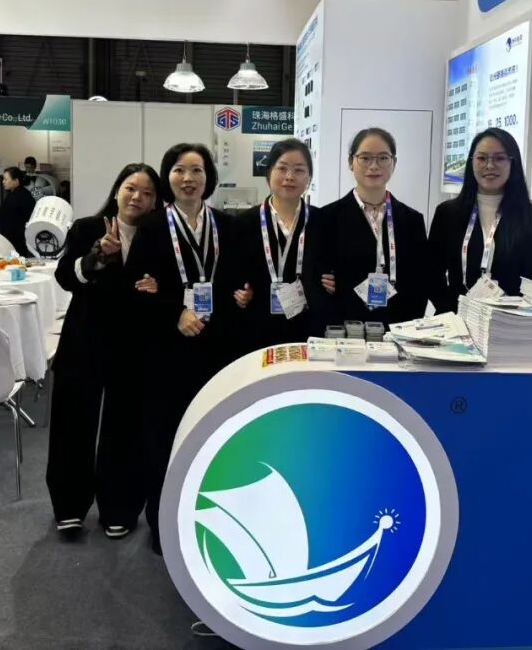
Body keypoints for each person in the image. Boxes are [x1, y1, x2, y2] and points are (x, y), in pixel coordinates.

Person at [126, 143, 248, 555]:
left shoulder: (226, 225)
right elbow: (137, 289)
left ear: (208, 177)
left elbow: (236, 280)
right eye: (179, 170)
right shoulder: (151, 227)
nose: (188, 178)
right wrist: (174, 312)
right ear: (168, 176)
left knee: (211, 434)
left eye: (197, 170)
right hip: (167, 351)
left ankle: (207, 521)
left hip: (216, 349)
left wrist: (242, 295)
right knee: (163, 437)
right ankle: (162, 524)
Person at [46, 163, 162, 540]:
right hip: (85, 341)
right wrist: (95, 256)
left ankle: (119, 507)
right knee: (73, 422)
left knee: (125, 427)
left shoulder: (158, 235)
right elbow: (65, 277)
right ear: (117, 191)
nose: (137, 197)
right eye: (131, 188)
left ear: (155, 201)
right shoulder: (87, 229)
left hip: (133, 345)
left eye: (147, 193)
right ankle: (69, 506)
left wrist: (156, 286)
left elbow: (169, 281)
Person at [310, 128, 428, 330]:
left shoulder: (412, 220)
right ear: (351, 162)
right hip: (345, 330)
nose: (374, 166)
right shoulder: (326, 218)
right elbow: (318, 282)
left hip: (397, 328)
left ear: (394, 163)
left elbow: (420, 282)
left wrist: (406, 329)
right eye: (365, 158)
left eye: (383, 158)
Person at [428, 128, 532, 312]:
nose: (489, 165)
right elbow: (431, 275)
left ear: (512, 163)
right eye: (481, 158)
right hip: (456, 320)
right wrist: (454, 312)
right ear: (471, 162)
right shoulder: (448, 213)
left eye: (499, 158)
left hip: (510, 321)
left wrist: (514, 316)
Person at [234, 138, 332, 351]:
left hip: (309, 328)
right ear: (269, 173)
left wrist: (335, 281)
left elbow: (334, 267)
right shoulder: (243, 223)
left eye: (299, 170)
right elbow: (233, 273)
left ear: (309, 178)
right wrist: (238, 292)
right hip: (257, 328)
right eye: (282, 168)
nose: (289, 177)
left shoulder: (323, 221)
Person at [0, 167, 37, 256]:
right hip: (10, 240)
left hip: (18, 242)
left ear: (16, 181)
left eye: (6, 179)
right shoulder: (12, 194)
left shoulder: (23, 197)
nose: (3, 182)